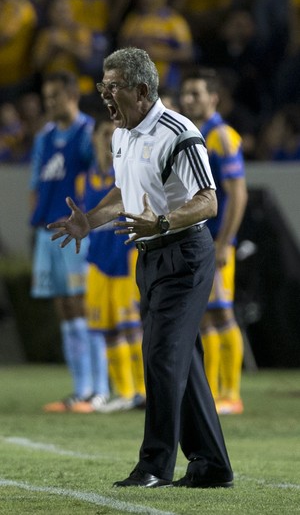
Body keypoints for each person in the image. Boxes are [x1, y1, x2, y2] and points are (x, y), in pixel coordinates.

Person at [48, 47, 233, 488]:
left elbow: (208, 199)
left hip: (185, 253)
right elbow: (122, 189)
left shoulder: (178, 132)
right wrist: (89, 221)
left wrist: (164, 219)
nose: (105, 96)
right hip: (149, 256)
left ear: (142, 90)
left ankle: (154, 464)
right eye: (102, 86)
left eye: (113, 87)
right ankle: (211, 464)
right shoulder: (120, 133)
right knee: (179, 359)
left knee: (161, 356)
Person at [180, 67, 248, 415]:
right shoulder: (195, 132)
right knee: (206, 316)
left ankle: (230, 393)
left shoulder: (221, 136)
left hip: (216, 240)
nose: (190, 100)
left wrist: (224, 242)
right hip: (199, 239)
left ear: (213, 98)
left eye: (197, 94)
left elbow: (238, 194)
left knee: (222, 313)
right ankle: (215, 394)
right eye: (187, 94)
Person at [29, 70, 95, 412]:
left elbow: (98, 178)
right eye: (46, 97)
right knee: (64, 308)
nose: (50, 103)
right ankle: (80, 388)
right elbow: (35, 185)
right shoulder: (44, 137)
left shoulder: (88, 133)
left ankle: (95, 389)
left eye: (55, 96)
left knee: (83, 304)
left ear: (73, 95)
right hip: (46, 231)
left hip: (74, 231)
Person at [72, 117, 146, 414]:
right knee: (108, 330)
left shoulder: (127, 172)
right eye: (104, 133)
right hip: (98, 262)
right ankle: (126, 392)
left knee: (132, 328)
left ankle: (144, 391)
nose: (108, 138)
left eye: (113, 133)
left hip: (125, 259)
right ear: (94, 140)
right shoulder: (83, 179)